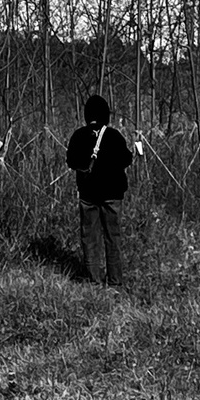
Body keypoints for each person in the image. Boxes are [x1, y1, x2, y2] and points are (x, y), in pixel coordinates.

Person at [64, 93, 134, 287]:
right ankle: (115, 283)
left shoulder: (78, 135)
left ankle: (93, 282)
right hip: (113, 195)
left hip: (88, 195)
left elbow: (71, 161)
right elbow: (127, 159)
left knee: (90, 238)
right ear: (106, 114)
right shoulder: (114, 136)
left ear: (87, 115)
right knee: (113, 239)